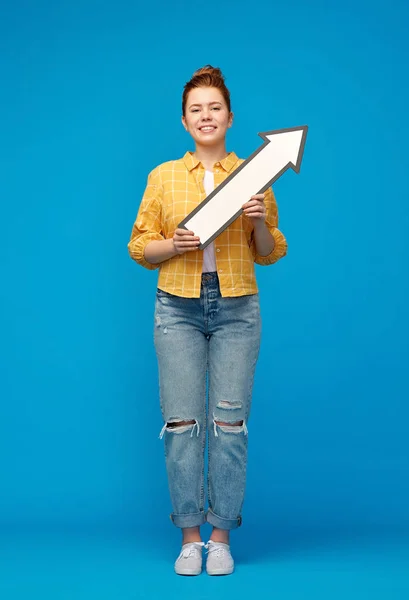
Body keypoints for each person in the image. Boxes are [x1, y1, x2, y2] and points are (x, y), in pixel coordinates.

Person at [128, 65, 288, 576]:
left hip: (237, 307)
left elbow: (268, 253)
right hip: (176, 304)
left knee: (230, 425)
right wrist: (170, 244)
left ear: (230, 117)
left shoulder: (254, 174)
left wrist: (259, 222)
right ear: (183, 120)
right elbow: (139, 247)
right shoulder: (163, 176)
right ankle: (189, 536)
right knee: (181, 424)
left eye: (214, 107)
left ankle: (221, 536)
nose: (205, 115)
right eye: (196, 108)